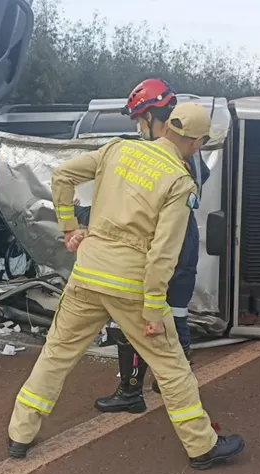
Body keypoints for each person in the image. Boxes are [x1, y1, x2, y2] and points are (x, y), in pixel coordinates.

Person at [7, 103, 245, 470]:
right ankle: (201, 446)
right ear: (196, 143)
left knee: (57, 353)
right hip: (131, 284)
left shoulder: (118, 149)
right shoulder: (180, 182)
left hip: (88, 272)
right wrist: (153, 310)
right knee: (172, 367)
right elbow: (163, 254)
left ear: (166, 128)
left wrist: (70, 228)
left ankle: (20, 433)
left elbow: (63, 177)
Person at [74, 79, 210, 414]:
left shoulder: (162, 156)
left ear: (154, 117)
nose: (137, 127)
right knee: (167, 319)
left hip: (165, 248)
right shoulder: (188, 152)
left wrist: (84, 213)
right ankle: (165, 388)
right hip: (180, 243)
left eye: (139, 120)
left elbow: (132, 208)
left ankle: (149, 392)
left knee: (146, 320)